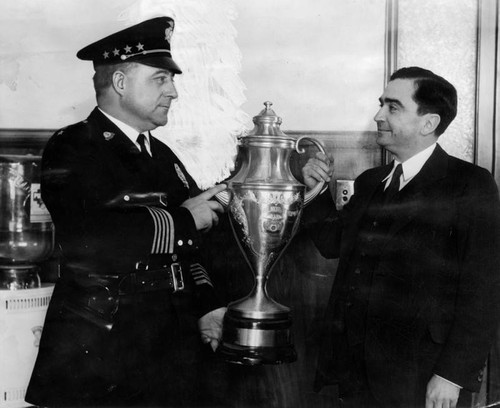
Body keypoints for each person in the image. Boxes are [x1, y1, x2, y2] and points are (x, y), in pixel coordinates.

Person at [26, 17, 227, 407]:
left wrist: (207, 306)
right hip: (102, 342)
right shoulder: (74, 147)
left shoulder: (162, 154)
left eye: (172, 80)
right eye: (160, 79)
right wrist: (185, 219)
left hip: (170, 341)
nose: (173, 91)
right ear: (120, 83)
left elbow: (191, 248)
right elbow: (94, 237)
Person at [302, 66, 500, 408]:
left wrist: (451, 375)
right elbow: (332, 244)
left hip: (423, 375)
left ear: (428, 123)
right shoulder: (370, 182)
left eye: (393, 107)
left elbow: (484, 289)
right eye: (381, 104)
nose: (378, 115)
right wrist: (316, 192)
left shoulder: (470, 184)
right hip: (357, 371)